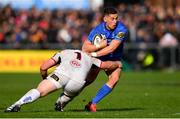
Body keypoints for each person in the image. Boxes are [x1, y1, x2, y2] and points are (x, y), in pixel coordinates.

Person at [4, 49, 121, 112]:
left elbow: (43, 67)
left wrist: (45, 78)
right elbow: (106, 65)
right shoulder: (90, 58)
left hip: (61, 74)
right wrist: (117, 63)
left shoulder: (64, 52)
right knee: (69, 94)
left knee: (40, 91)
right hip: (78, 82)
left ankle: (18, 104)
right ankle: (61, 103)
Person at [82, 7, 128, 112]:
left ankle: (92, 103)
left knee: (114, 79)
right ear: (105, 19)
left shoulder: (122, 29)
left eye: (116, 18)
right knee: (87, 81)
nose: (115, 21)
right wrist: (97, 46)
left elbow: (112, 48)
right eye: (112, 18)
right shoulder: (97, 30)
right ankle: (66, 97)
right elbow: (85, 48)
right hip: (100, 58)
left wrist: (94, 53)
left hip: (112, 58)